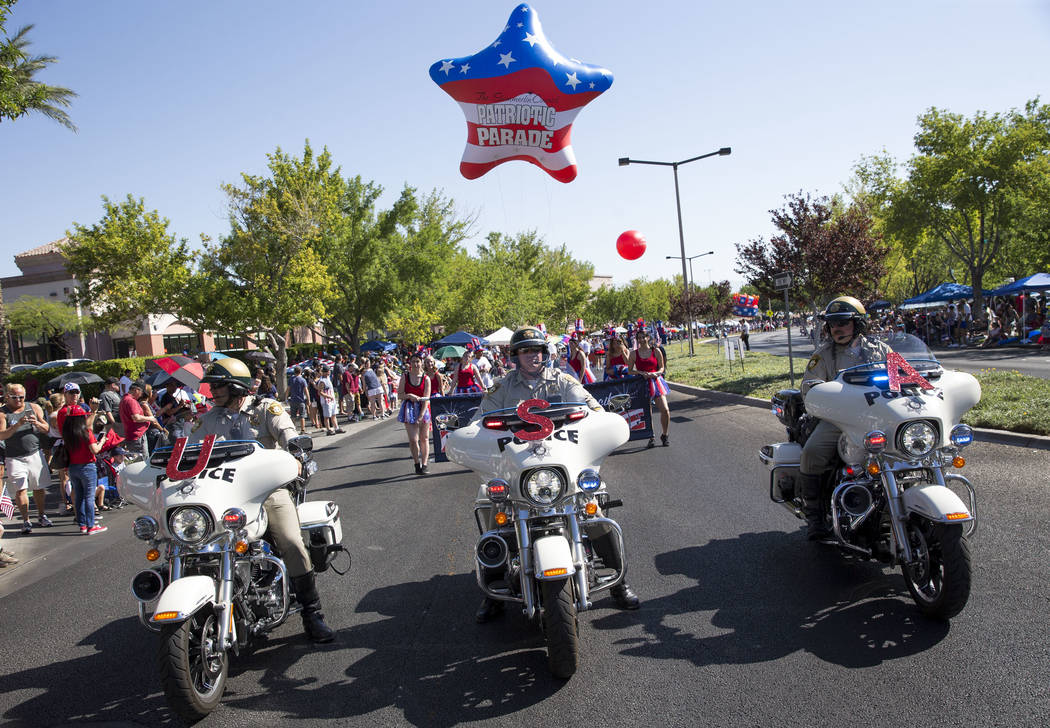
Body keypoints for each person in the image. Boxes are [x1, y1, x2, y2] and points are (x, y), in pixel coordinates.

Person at [472, 326, 639, 622]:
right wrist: (473, 436)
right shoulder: (502, 388)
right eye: (526, 351)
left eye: (537, 349)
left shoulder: (563, 381)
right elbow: (479, 422)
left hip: (561, 467)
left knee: (595, 506)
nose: (533, 355)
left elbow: (594, 411)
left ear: (546, 352)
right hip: (518, 471)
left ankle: (619, 583)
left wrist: (601, 424)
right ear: (515, 356)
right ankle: (493, 592)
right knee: (489, 508)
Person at [188, 357, 335, 643]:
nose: (213, 391)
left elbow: (290, 436)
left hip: (268, 491)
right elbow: (188, 451)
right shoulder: (206, 420)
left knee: (291, 542)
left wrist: (296, 454)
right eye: (212, 386)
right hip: (223, 496)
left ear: (237, 386)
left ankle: (312, 613)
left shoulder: (266, 409)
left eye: (219, 385)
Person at [799, 296, 892, 540]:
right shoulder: (824, 355)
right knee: (812, 452)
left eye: (843, 322)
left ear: (857, 324)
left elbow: (903, 375)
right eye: (832, 324)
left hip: (880, 417)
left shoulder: (880, 349)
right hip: (839, 420)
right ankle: (815, 516)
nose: (837, 328)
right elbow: (808, 388)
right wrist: (823, 396)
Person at [1, 383, 53, 533]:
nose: (19, 400)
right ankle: (26, 521)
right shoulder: (3, 413)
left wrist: (35, 422)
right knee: (21, 489)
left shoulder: (33, 408)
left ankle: (42, 516)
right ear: (7, 397)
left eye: (21, 397)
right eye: (15, 397)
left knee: (38, 487)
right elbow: (1, 435)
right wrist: (17, 425)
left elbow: (47, 429)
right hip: (14, 457)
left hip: (34, 453)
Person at [62, 407, 107, 535]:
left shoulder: (67, 433)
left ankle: (82, 525)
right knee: (89, 496)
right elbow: (95, 450)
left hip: (73, 467)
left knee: (79, 496)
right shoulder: (86, 432)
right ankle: (91, 526)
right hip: (87, 466)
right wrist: (102, 441)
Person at [629, 330, 671, 448]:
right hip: (641, 383)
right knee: (647, 412)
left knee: (665, 410)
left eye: (643, 337)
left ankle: (665, 434)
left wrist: (656, 373)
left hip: (656, 382)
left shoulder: (656, 351)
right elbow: (630, 370)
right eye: (639, 338)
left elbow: (662, 367)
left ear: (648, 338)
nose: (641, 340)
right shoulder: (633, 354)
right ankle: (650, 436)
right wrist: (640, 372)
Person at [397, 353, 432, 475]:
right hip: (409, 409)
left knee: (424, 438)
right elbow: (399, 394)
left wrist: (421, 415)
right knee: (413, 439)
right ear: (410, 363)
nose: (416, 364)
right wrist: (409, 396)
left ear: (421, 362)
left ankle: (425, 464)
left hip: (423, 407)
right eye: (413, 362)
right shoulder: (405, 376)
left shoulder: (426, 378)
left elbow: (426, 398)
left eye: (417, 361)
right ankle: (417, 463)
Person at [120, 379, 159, 457]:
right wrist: (150, 418)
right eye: (141, 392)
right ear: (136, 390)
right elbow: (136, 417)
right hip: (137, 436)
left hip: (132, 435)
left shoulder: (124, 399)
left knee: (138, 460)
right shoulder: (131, 401)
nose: (141, 395)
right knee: (142, 461)